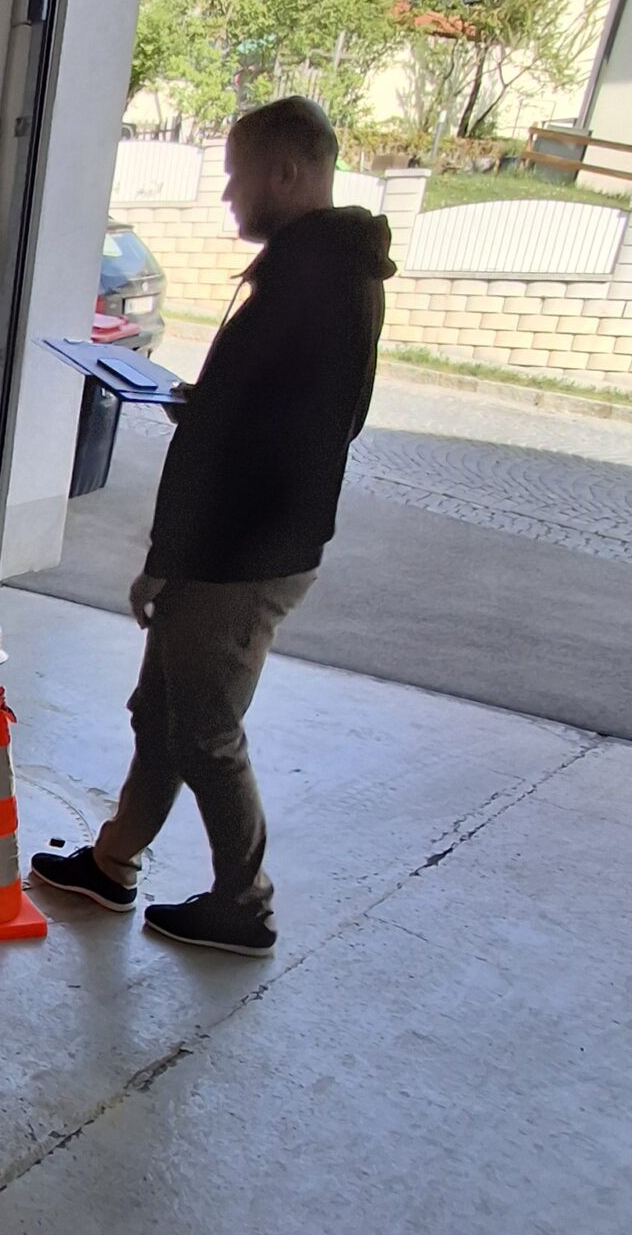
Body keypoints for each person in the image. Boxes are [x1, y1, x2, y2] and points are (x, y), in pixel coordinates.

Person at [31, 94, 391, 954]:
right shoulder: (322, 270)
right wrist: (213, 405)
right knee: (161, 714)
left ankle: (245, 904)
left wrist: (173, 553)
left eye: (236, 177)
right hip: (235, 544)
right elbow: (293, 417)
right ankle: (113, 863)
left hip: (243, 554)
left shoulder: (318, 284)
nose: (228, 195)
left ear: (286, 172)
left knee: (204, 732)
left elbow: (277, 444)